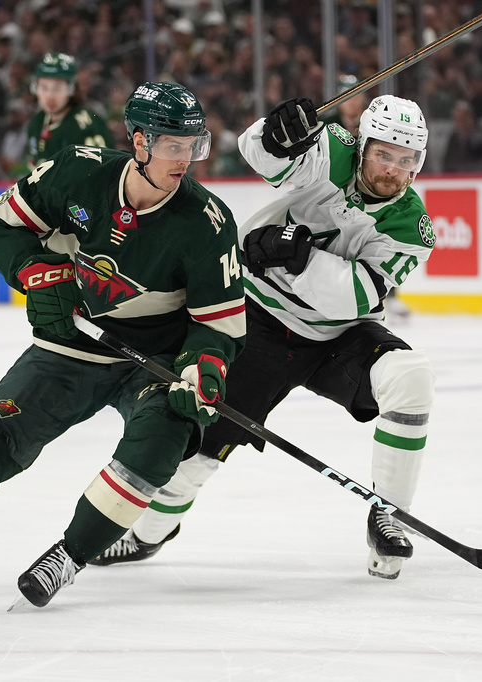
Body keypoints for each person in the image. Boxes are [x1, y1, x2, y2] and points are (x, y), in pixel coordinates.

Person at [0, 82, 247, 608]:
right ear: (139, 142)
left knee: (160, 443)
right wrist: (34, 272)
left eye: (193, 145)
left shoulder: (206, 222)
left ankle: (70, 556)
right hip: (71, 345)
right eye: (172, 144)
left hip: (155, 360)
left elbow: (220, 324)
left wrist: (204, 367)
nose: (185, 158)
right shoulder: (78, 171)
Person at [93, 94, 436, 580]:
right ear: (363, 147)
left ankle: (391, 516)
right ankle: (147, 536)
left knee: (411, 376)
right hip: (255, 323)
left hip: (335, 336)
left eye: (406, 161)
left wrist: (296, 256)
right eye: (384, 154)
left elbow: (354, 298)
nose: (393, 170)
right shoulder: (333, 149)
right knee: (196, 456)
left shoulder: (412, 227)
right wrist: (275, 134)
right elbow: (264, 156)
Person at [26, 52, 115, 168]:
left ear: (71, 89)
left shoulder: (86, 125)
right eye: (44, 87)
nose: (50, 96)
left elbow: (104, 169)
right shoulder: (37, 122)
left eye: (57, 88)